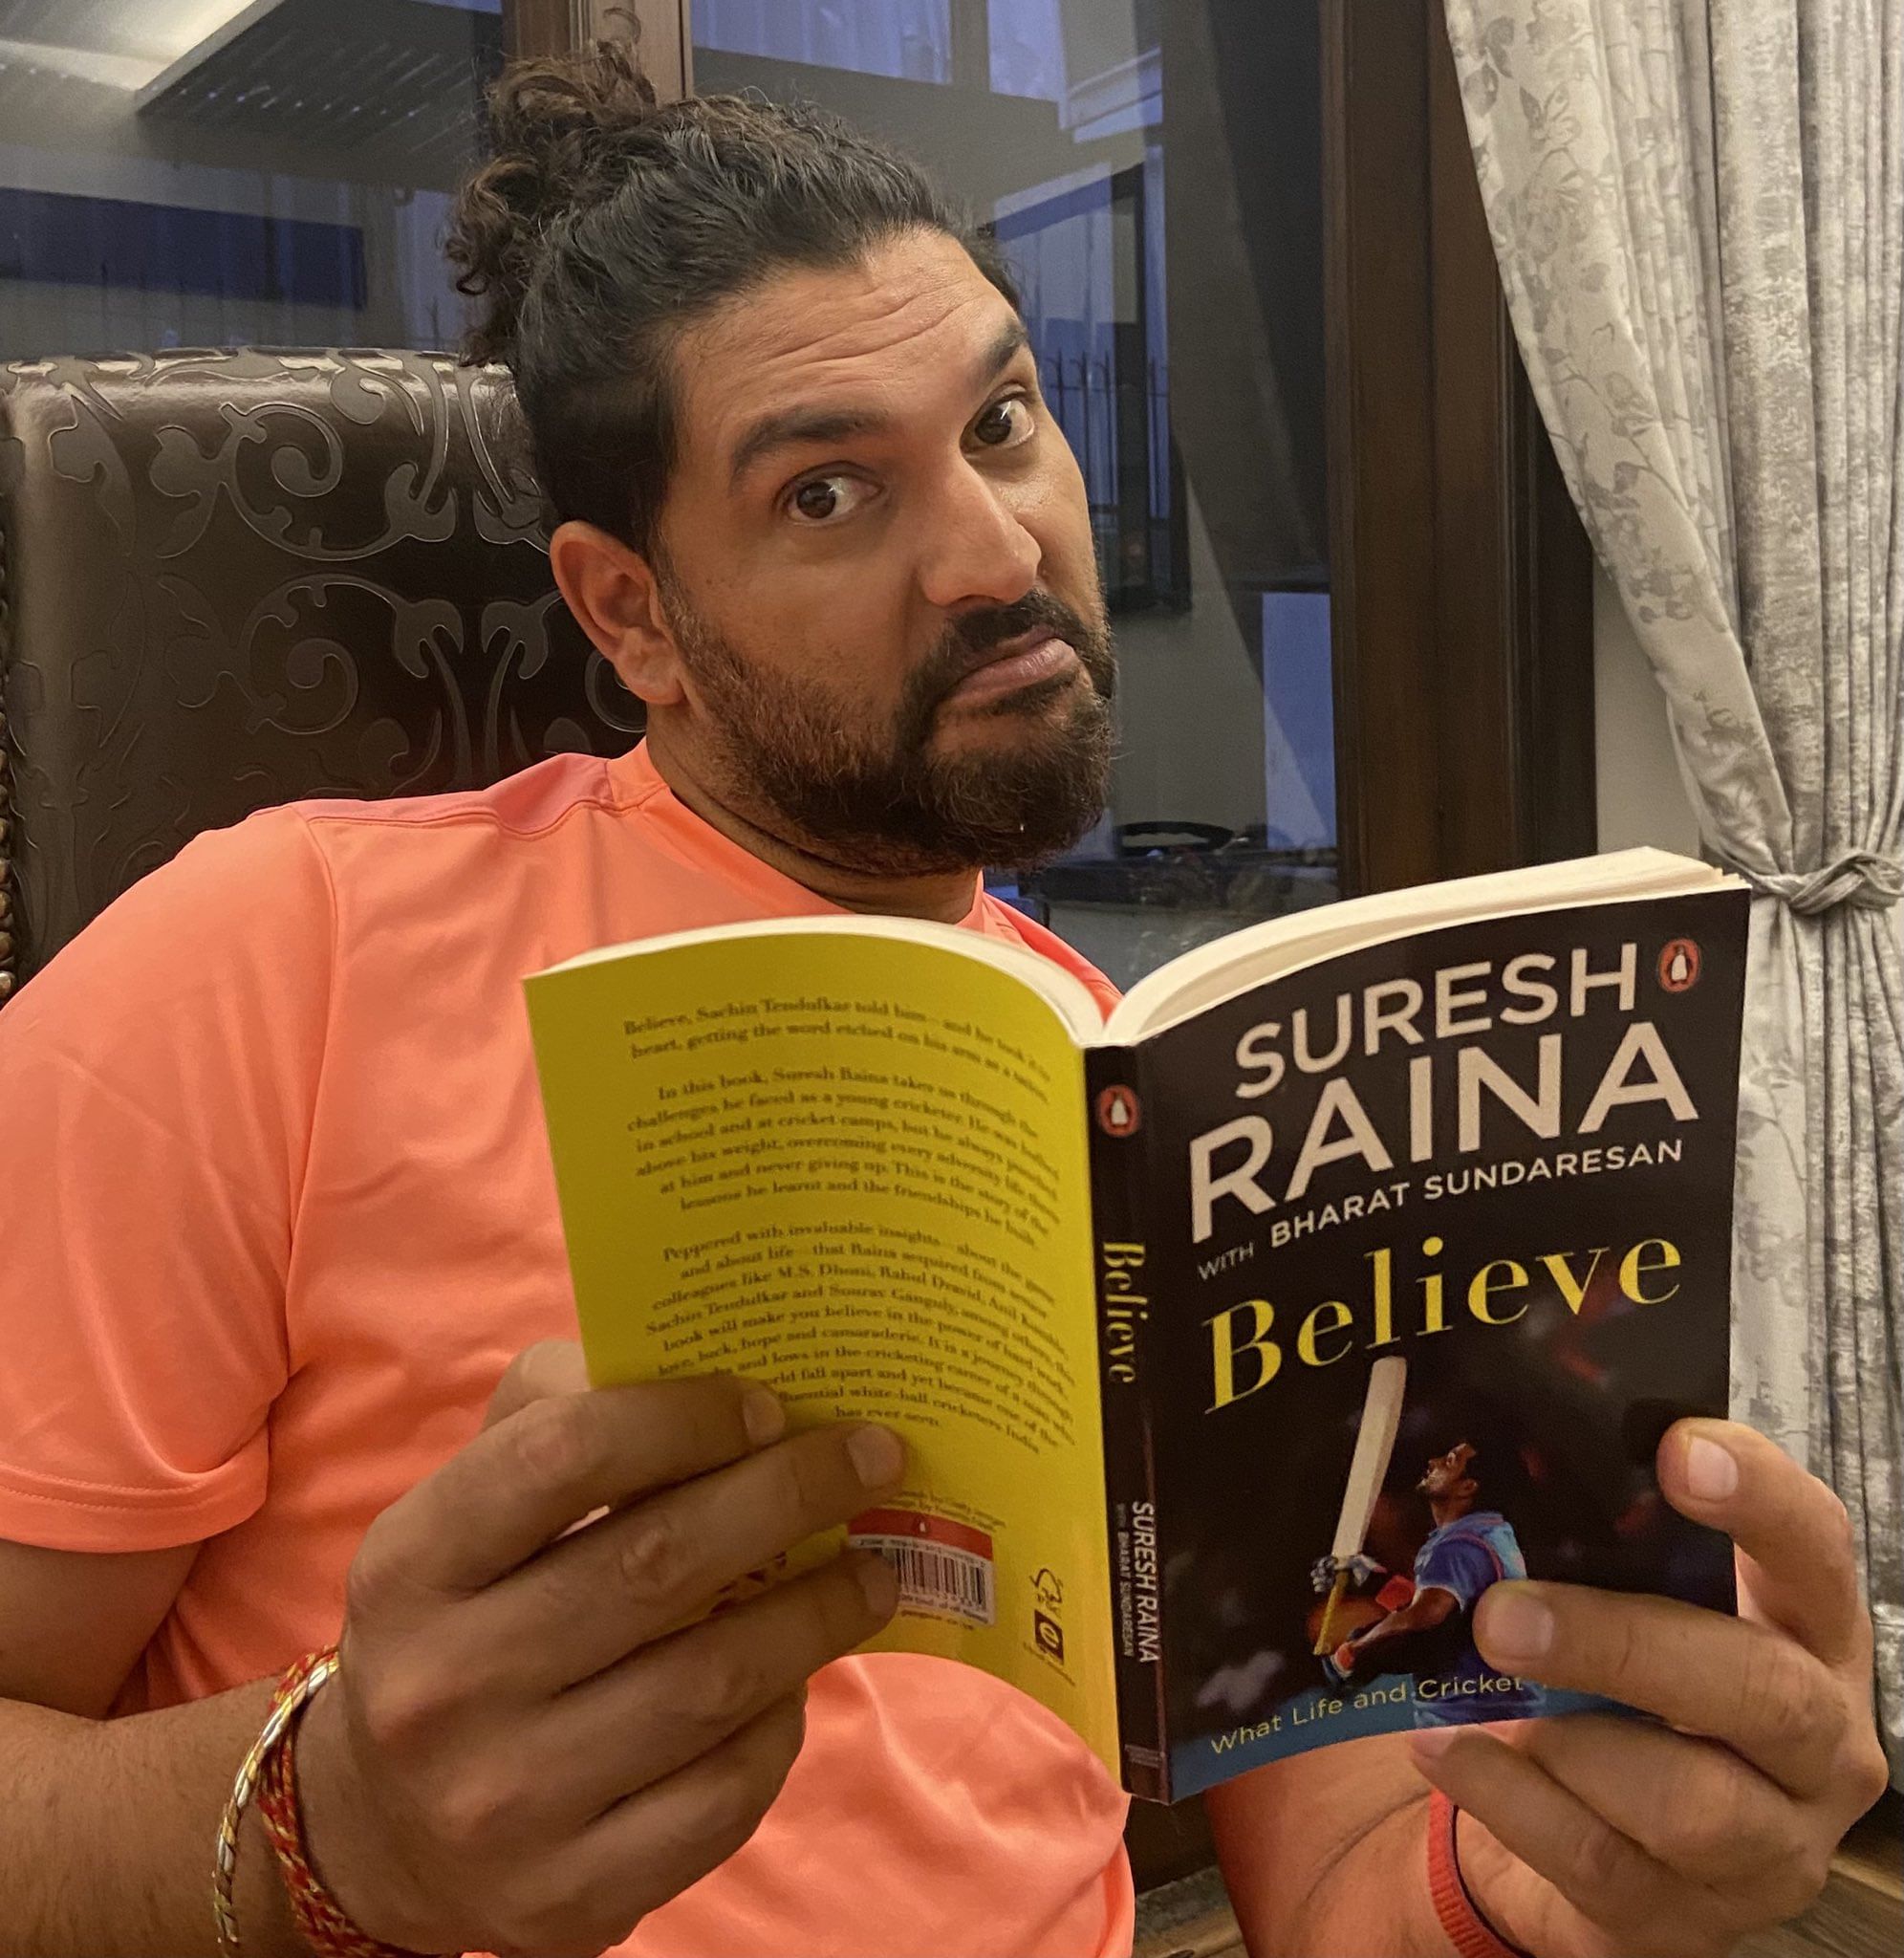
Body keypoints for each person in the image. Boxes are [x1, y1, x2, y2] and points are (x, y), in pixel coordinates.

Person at [0, 43, 1885, 1958]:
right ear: (631, 613)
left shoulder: (1118, 1088)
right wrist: (330, 1833)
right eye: (828, 491)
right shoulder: (280, 957)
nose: (998, 554)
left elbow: (1336, 1885)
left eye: (1001, 421)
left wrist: (1537, 1883)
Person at [1314, 1442, 1547, 1727]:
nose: (1433, 1462)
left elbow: (1426, 1615)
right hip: (1497, 1710)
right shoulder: (1488, 1532)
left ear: (1468, 1487)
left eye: (1450, 1461)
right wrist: (1374, 1581)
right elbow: (1448, 1617)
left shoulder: (1459, 1545)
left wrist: (1353, 1651)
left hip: (1469, 1717)